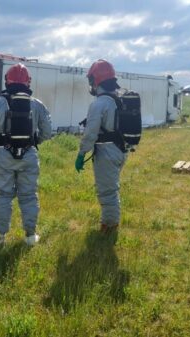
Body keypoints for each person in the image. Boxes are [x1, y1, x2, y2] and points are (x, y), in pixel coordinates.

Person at [0, 63, 52, 245]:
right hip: (29, 155)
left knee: (3, 195)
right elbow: (47, 132)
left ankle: (0, 237)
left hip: (3, 155)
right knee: (28, 195)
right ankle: (30, 236)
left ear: (7, 81)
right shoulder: (37, 105)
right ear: (28, 82)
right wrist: (33, 144)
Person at [75, 59, 126, 234]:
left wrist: (81, 154)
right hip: (120, 149)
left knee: (108, 191)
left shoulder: (99, 103)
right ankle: (109, 222)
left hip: (107, 152)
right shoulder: (118, 100)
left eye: (91, 81)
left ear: (97, 80)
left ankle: (110, 227)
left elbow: (90, 133)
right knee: (110, 187)